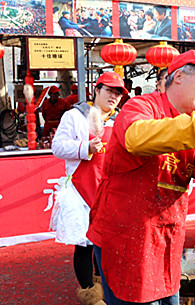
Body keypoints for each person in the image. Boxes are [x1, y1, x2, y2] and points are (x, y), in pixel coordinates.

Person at [87, 50, 195, 304]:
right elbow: (136, 138)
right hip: (126, 236)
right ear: (179, 77)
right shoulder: (141, 106)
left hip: (166, 239)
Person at [51, 72, 126, 305]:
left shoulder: (122, 119)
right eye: (109, 91)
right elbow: (58, 147)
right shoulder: (75, 116)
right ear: (97, 90)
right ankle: (90, 295)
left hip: (112, 191)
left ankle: (103, 286)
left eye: (117, 93)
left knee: (106, 243)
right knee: (85, 244)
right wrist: (86, 147)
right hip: (81, 189)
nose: (113, 97)